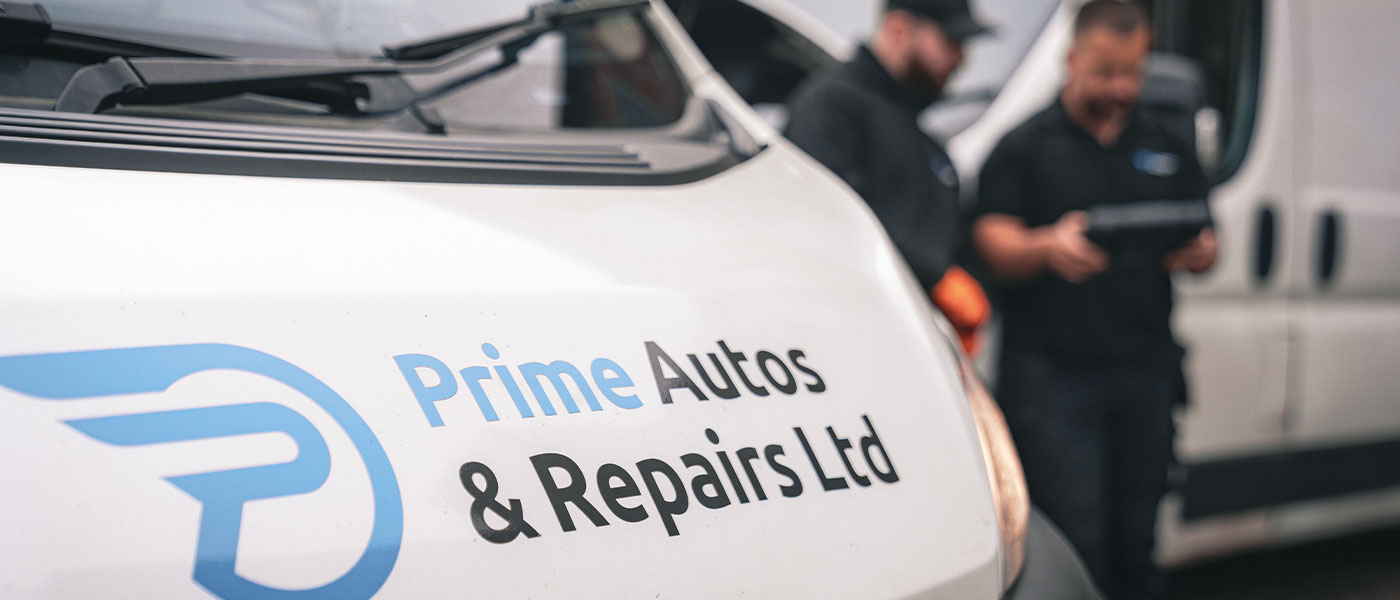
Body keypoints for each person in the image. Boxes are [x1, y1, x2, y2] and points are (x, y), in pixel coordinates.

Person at [971, 1, 1218, 598]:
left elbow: (1209, 239)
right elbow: (990, 240)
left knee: (1137, 541)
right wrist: (1046, 246)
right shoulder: (1026, 145)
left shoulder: (1165, 142)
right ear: (1073, 60)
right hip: (1056, 382)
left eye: (1132, 72)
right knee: (1075, 543)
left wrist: (1200, 249)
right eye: (1105, 72)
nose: (1120, 87)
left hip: (1145, 373)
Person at [784, 0, 991, 351]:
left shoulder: (926, 143)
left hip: (918, 348)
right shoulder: (832, 105)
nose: (961, 58)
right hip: (844, 341)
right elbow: (829, 220)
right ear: (899, 30)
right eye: (951, 41)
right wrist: (936, 279)